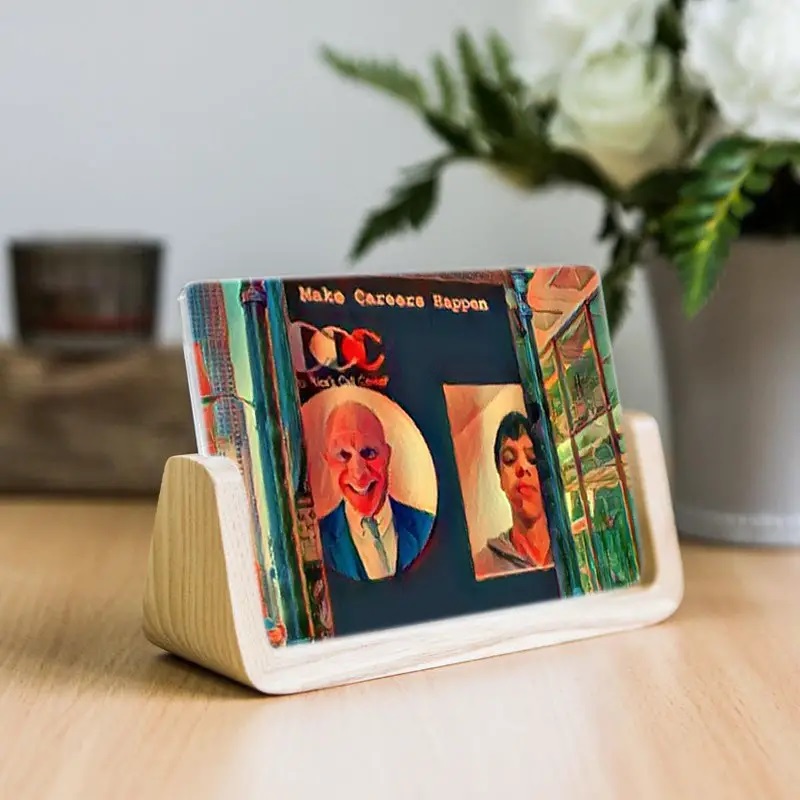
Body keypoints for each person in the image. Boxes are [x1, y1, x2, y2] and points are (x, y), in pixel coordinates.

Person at [318, 401, 434, 581]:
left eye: (369, 453)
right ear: (328, 461)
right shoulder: (318, 540)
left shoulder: (424, 525)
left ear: (387, 455)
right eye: (343, 455)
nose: (358, 473)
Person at [473, 408, 555, 579]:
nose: (522, 467)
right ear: (501, 479)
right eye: (510, 459)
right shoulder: (483, 567)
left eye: (532, 457)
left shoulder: (575, 547)